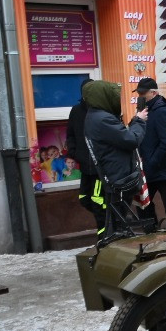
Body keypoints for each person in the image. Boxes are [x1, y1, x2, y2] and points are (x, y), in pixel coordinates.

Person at [83, 80, 148, 237]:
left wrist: (133, 122)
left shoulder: (96, 116)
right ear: (103, 97)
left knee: (117, 221)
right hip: (119, 177)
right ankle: (114, 253)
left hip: (115, 174)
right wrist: (139, 121)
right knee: (118, 225)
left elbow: (120, 137)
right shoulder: (103, 119)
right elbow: (131, 140)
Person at [66, 79, 106, 234]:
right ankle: (111, 221)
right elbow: (70, 135)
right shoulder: (76, 111)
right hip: (85, 167)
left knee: (97, 202)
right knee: (84, 199)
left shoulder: (102, 110)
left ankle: (104, 236)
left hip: (99, 169)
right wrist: (75, 153)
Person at [134, 77, 166, 225]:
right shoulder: (145, 110)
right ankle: (151, 234)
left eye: (143, 93)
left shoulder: (161, 111)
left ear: (154, 92)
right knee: (143, 205)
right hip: (148, 169)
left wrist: (153, 161)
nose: (140, 96)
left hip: (162, 170)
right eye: (139, 93)